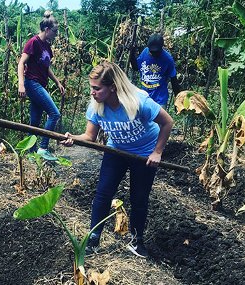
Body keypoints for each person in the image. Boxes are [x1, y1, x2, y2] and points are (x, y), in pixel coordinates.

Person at [61, 61, 173, 258]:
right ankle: (94, 238)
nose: (92, 92)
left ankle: (137, 241)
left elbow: (167, 122)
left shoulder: (139, 102)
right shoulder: (96, 106)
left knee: (138, 198)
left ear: (112, 87)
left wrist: (157, 152)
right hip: (117, 150)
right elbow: (90, 137)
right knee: (103, 193)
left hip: (144, 153)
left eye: (97, 88)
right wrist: (74, 139)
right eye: (91, 88)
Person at [17, 11, 65, 161]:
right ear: (47, 30)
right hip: (32, 83)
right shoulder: (34, 42)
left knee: (35, 122)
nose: (56, 34)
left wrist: (57, 82)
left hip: (40, 83)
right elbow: (21, 62)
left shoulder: (47, 47)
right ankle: (43, 148)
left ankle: (30, 152)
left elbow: (46, 67)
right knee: (54, 113)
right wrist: (21, 84)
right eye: (55, 31)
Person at [130, 33, 181, 108]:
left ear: (161, 48)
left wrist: (178, 100)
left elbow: (174, 80)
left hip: (160, 100)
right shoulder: (145, 52)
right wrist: (132, 54)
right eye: (151, 51)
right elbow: (136, 67)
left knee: (158, 119)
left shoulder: (167, 59)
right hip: (145, 97)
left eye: (156, 52)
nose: (153, 54)